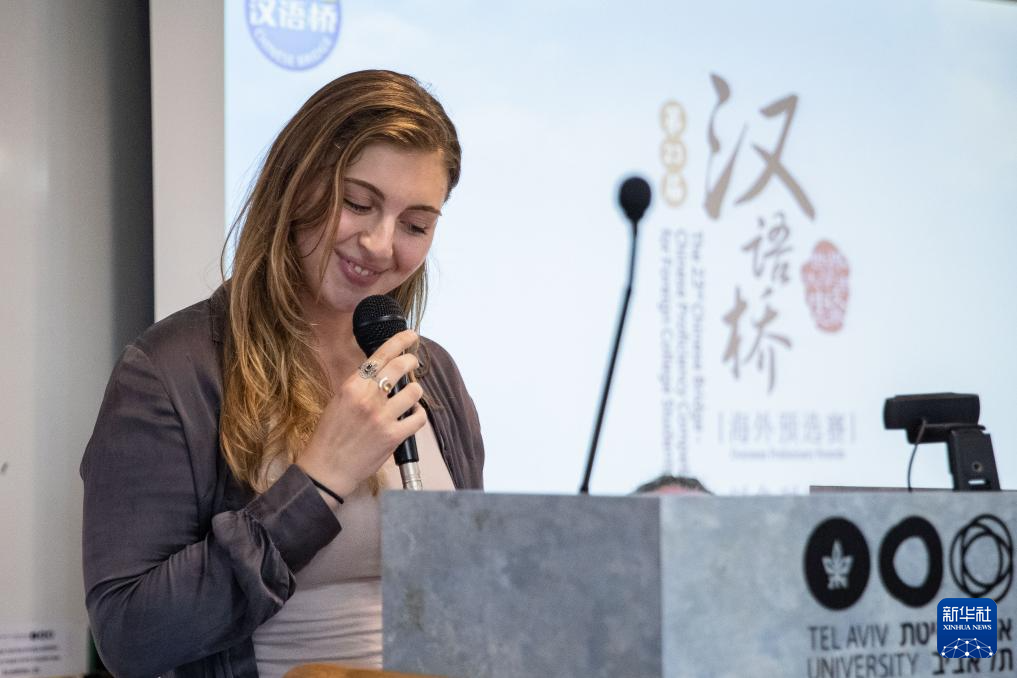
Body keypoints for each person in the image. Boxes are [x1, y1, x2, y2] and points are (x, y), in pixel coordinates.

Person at [80, 70, 484, 678]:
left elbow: (472, 600)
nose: (380, 245)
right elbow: (130, 637)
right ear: (296, 187)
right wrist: (318, 483)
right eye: (358, 203)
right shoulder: (168, 373)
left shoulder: (435, 374)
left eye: (415, 225)